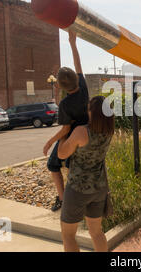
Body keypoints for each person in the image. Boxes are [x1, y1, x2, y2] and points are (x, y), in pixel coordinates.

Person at [58, 95, 115, 252]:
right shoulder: (109, 131)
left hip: (78, 188)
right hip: (99, 188)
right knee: (96, 232)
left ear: (93, 112)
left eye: (89, 109)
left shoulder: (81, 132)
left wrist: (63, 134)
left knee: (68, 234)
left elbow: (62, 154)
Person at [43, 30, 89, 212]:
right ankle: (75, 200)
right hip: (87, 134)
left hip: (72, 138)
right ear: (77, 80)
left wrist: (49, 142)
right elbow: (78, 65)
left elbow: (65, 129)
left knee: (53, 164)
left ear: (60, 86)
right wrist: (72, 43)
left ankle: (63, 199)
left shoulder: (65, 103)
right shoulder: (83, 88)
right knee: (73, 168)